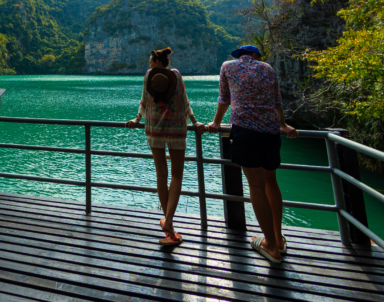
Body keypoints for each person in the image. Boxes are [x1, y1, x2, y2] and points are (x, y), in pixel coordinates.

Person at [198, 44, 298, 263]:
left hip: (246, 131)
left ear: (242, 56)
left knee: (255, 186)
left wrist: (216, 123)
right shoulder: (268, 68)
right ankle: (278, 239)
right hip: (271, 132)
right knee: (271, 181)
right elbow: (277, 100)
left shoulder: (228, 66)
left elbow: (224, 98)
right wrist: (283, 124)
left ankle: (270, 246)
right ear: (255, 56)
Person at [126, 47, 198, 246]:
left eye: (150, 61)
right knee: (177, 175)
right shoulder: (176, 75)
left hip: (154, 129)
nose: (149, 65)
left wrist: (137, 118)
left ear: (157, 62)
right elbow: (184, 102)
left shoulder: (149, 76)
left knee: (161, 175)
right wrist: (195, 122)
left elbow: (144, 101)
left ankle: (169, 224)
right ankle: (169, 221)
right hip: (176, 129)